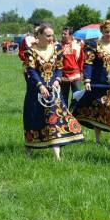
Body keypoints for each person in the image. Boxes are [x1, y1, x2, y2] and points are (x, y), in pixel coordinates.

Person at [23, 24, 84, 159]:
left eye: (52, 35)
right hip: (36, 91)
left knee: (55, 119)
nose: (51, 38)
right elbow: (31, 71)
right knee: (33, 119)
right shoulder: (30, 51)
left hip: (54, 90)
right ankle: (29, 149)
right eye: (48, 35)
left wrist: (57, 79)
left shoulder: (56, 49)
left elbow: (59, 67)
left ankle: (57, 155)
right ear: (38, 36)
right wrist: (40, 86)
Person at [72, 20, 110, 149]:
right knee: (98, 111)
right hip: (97, 83)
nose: (109, 34)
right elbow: (88, 64)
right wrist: (87, 80)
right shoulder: (94, 45)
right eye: (106, 32)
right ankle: (98, 140)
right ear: (102, 32)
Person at [60, 26, 84, 106]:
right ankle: (64, 114)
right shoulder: (58, 46)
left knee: (77, 96)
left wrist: (81, 72)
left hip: (75, 75)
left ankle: (74, 112)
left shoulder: (77, 46)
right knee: (63, 97)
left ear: (70, 35)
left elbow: (81, 60)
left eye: (65, 34)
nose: (63, 35)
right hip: (63, 75)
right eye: (62, 34)